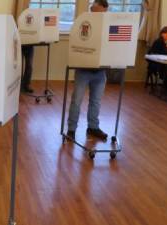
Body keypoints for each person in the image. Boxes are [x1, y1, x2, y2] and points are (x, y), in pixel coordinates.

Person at [66, 0, 110, 141]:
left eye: (98, 11)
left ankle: (93, 127)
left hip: (100, 71)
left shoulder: (109, 25)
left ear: (105, 9)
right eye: (93, 10)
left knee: (96, 101)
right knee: (76, 101)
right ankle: (71, 129)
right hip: (84, 70)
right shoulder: (84, 22)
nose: (95, 13)